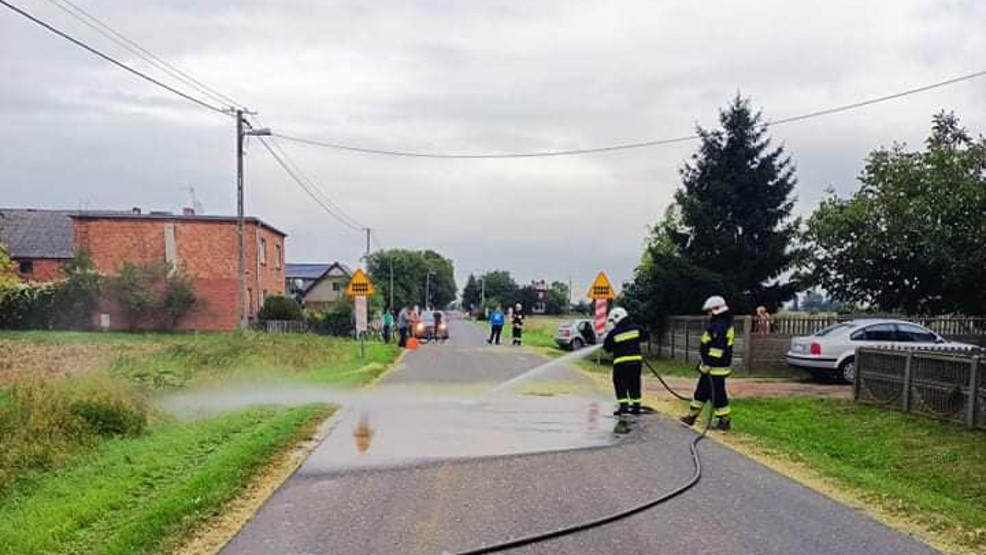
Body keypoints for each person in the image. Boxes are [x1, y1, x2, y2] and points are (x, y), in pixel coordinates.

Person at [680, 295, 735, 431]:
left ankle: (724, 420)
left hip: (715, 368)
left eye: (709, 311)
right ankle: (692, 416)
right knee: (701, 391)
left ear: (716, 310)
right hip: (710, 367)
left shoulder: (720, 326)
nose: (708, 314)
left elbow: (717, 349)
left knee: (717, 394)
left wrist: (709, 364)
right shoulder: (719, 324)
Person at [602, 307, 649, 416]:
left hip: (621, 363)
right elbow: (646, 336)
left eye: (612, 321)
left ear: (617, 318)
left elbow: (607, 347)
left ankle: (624, 407)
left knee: (620, 384)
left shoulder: (614, 333)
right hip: (636, 363)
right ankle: (636, 407)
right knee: (635, 383)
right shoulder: (636, 328)